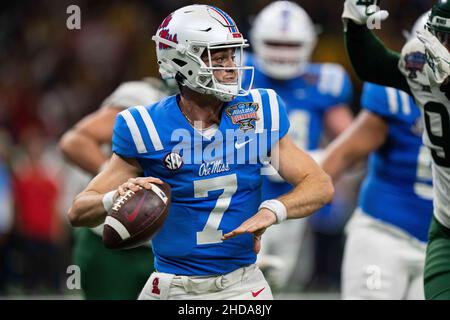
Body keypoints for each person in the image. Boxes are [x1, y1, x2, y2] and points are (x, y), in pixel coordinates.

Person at [67, 4, 334, 300]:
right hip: (172, 286)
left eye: (232, 54)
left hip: (242, 286)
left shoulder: (259, 111)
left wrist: (272, 210)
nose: (232, 66)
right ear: (181, 62)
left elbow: (320, 184)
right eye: (219, 57)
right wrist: (114, 197)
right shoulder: (145, 126)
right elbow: (78, 212)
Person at [342, 0, 450, 299]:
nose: (443, 50)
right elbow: (373, 65)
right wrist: (357, 26)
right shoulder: (422, 72)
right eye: (441, 40)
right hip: (438, 227)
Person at [244, 1, 354, 290]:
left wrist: (321, 160)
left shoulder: (324, 81)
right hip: (245, 188)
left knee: (282, 281)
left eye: (291, 45)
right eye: (274, 43)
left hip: (295, 193)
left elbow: (351, 142)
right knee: (242, 280)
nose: (282, 53)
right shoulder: (237, 73)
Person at [59, 78, 170, 299]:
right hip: (114, 243)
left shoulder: (217, 108)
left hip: (167, 245)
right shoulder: (144, 95)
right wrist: (118, 182)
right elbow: (74, 141)